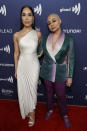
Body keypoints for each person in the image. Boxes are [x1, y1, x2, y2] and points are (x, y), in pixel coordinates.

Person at [38, 13, 75, 128]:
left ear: (60, 21)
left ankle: (64, 115)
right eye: (49, 23)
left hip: (61, 73)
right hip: (46, 73)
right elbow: (39, 53)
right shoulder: (44, 38)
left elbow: (71, 59)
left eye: (54, 21)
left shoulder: (69, 39)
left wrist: (70, 76)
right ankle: (49, 110)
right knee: (48, 94)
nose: (51, 24)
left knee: (61, 95)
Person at [13, 5, 41, 127]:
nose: (27, 18)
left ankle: (32, 113)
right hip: (22, 65)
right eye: (24, 15)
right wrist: (16, 69)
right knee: (24, 90)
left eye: (29, 15)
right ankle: (28, 110)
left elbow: (38, 50)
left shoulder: (38, 34)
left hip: (34, 64)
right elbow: (16, 53)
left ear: (33, 18)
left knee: (33, 89)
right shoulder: (16, 35)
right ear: (21, 18)